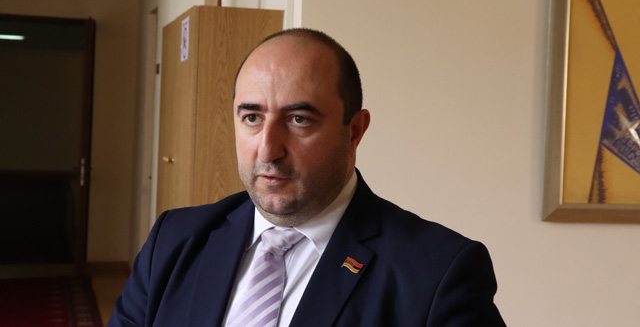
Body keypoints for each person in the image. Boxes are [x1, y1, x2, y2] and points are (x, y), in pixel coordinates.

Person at [108, 28, 506, 326]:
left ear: (354, 131)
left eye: (299, 120)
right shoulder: (174, 240)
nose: (268, 150)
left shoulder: (436, 273)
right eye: (252, 117)